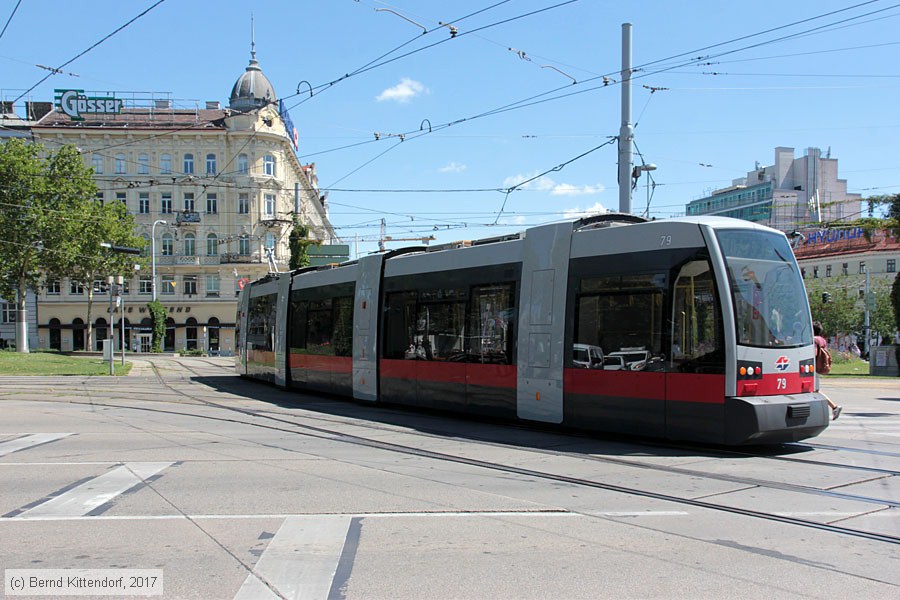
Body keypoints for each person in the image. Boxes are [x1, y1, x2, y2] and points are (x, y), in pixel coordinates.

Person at [813, 321, 842, 420]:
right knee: (814, 390)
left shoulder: (814, 340)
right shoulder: (822, 340)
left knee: (814, 390)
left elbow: (814, 353)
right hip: (821, 366)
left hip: (814, 367)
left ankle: (834, 407)